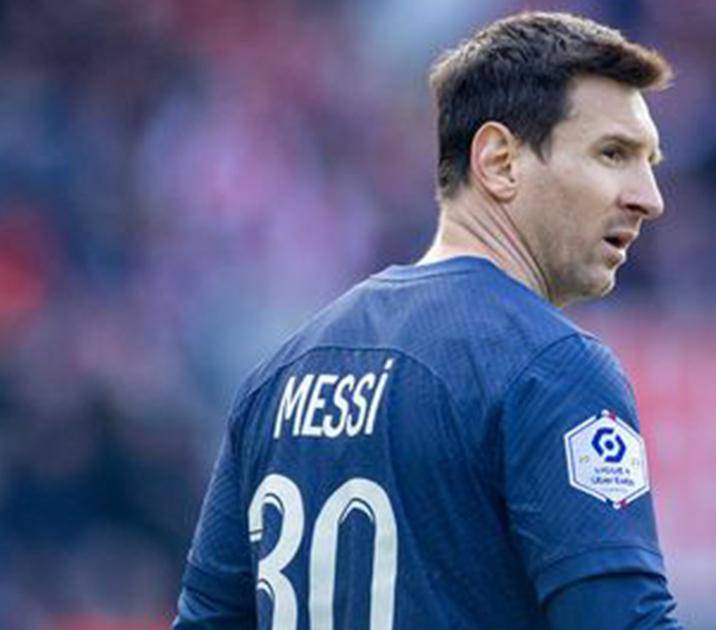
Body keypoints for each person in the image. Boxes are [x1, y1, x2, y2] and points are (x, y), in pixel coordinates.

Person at [173, 11, 680, 629]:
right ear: (499, 161)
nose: (649, 197)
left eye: (649, 161)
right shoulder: (551, 370)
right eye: (613, 154)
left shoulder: (278, 378)